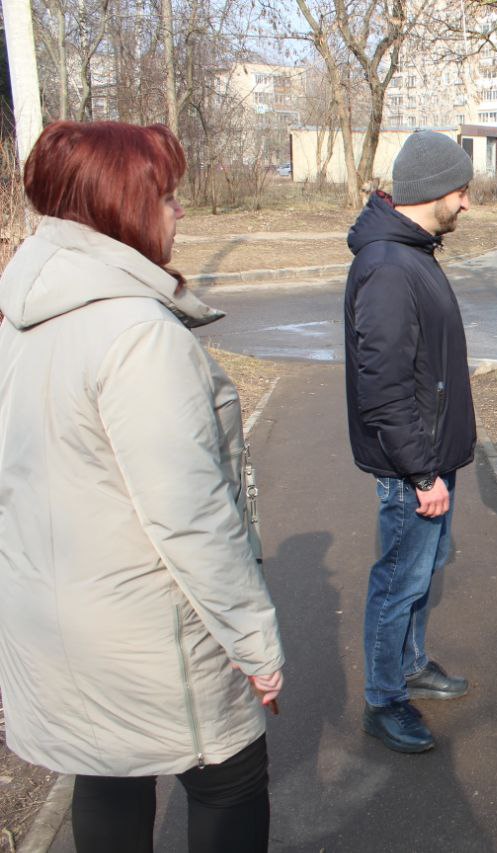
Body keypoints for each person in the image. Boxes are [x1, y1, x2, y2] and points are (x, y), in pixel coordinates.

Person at [0, 120, 284, 852]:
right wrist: (256, 642)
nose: (179, 211)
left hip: (58, 621)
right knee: (230, 774)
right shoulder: (137, 335)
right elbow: (190, 518)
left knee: (106, 770)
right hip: (151, 633)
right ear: (119, 205)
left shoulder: (19, 320)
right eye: (166, 195)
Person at [344, 130, 478, 754]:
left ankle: (410, 665)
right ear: (433, 192)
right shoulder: (389, 266)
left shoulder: (412, 251)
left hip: (429, 457)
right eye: (462, 192)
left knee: (425, 572)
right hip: (412, 466)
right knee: (399, 580)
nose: (467, 205)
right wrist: (422, 475)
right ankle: (383, 698)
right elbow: (385, 386)